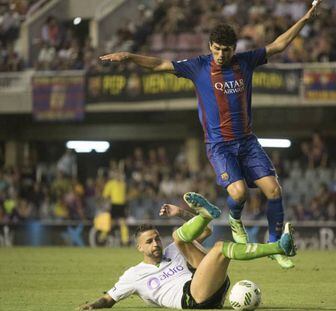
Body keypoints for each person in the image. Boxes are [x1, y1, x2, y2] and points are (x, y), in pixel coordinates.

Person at [100, 0, 322, 269]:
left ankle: (276, 246)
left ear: (234, 49)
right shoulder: (198, 66)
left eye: (226, 50)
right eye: (216, 49)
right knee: (238, 193)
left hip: (247, 142)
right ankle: (235, 219)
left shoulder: (246, 61)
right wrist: (130, 56)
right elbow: (160, 64)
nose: (220, 54)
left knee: (274, 190)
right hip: (220, 146)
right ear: (210, 47)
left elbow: (278, 45)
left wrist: (305, 19)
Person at [78, 192, 296, 310]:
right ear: (140, 247)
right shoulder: (133, 275)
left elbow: (206, 232)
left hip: (211, 288)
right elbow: (108, 299)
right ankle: (277, 247)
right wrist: (91, 306)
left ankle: (277, 246)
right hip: (191, 300)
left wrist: (180, 213)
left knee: (186, 240)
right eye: (149, 242)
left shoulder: (173, 250)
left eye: (156, 239)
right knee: (214, 247)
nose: (155, 243)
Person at [102, 169, 129, 246]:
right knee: (111, 223)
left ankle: (125, 240)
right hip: (114, 205)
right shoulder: (110, 184)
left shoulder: (123, 184)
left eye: (120, 175)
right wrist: (106, 205)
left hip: (121, 205)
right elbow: (105, 195)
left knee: (123, 223)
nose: (119, 176)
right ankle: (102, 236)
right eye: (117, 174)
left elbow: (125, 196)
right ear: (114, 175)